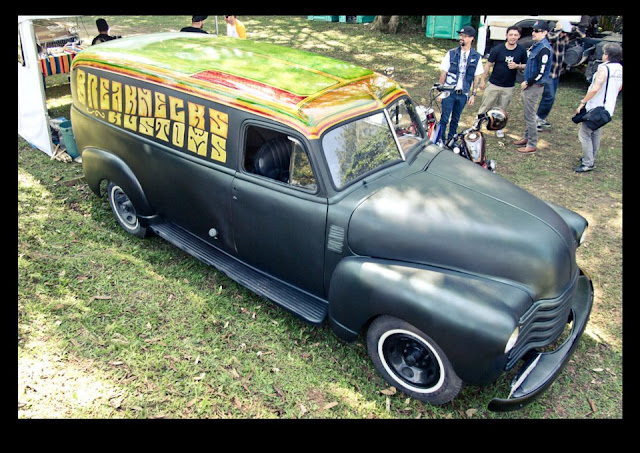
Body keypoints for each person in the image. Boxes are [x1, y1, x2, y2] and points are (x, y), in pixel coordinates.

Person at [574, 43, 622, 173]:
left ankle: (588, 162)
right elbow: (619, 87)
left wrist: (583, 102)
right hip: (608, 108)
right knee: (595, 132)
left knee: (584, 134)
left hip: (596, 107)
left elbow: (595, 88)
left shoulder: (603, 69)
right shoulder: (620, 69)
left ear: (607, 56)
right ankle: (591, 157)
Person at [477, 25, 528, 138]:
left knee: (502, 109)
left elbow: (526, 65)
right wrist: (482, 80)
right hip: (494, 84)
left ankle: (499, 128)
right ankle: (477, 124)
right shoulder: (498, 49)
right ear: (506, 35)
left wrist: (517, 66)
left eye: (515, 35)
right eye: (511, 35)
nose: (513, 37)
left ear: (519, 36)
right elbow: (488, 65)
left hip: (508, 86)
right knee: (485, 105)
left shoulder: (521, 50)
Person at [437, 25, 484, 144]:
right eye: (461, 35)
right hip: (449, 91)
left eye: (465, 36)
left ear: (472, 38)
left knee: (455, 119)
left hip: (463, 93)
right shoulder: (451, 53)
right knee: (444, 119)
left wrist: (473, 94)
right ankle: (440, 140)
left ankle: (451, 141)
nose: (461, 38)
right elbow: (444, 73)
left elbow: (476, 77)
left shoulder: (476, 56)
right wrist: (440, 92)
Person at [536, 20, 586, 130]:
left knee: (550, 98)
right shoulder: (550, 36)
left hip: (557, 73)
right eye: (563, 32)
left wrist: (572, 28)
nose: (564, 34)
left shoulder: (565, 37)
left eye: (565, 32)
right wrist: (559, 30)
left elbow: (582, 36)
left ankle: (541, 118)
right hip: (548, 73)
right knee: (549, 97)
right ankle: (537, 118)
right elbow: (551, 38)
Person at [513, 20, 552, 154]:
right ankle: (527, 137)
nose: (533, 33)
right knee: (527, 112)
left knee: (529, 115)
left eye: (537, 31)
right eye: (533, 30)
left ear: (545, 33)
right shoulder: (537, 46)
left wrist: (528, 82)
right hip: (531, 84)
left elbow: (541, 71)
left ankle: (532, 143)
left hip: (534, 85)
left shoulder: (544, 49)